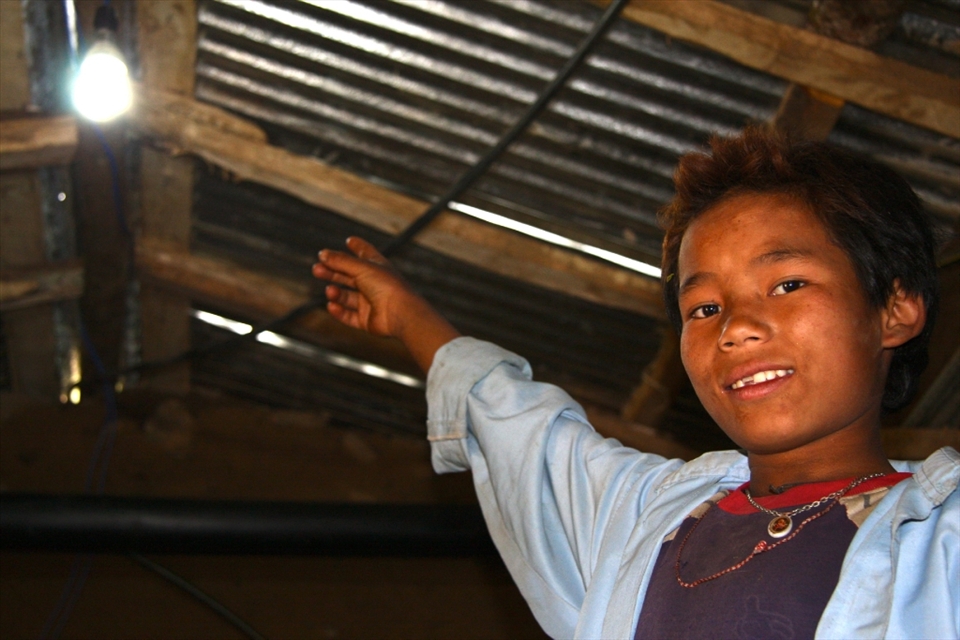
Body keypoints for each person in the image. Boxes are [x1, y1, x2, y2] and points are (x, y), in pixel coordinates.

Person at [312, 126, 959, 639]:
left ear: (893, 310)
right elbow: (526, 435)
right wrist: (409, 319)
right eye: (703, 308)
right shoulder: (647, 520)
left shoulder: (941, 540)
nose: (735, 329)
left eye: (787, 285)